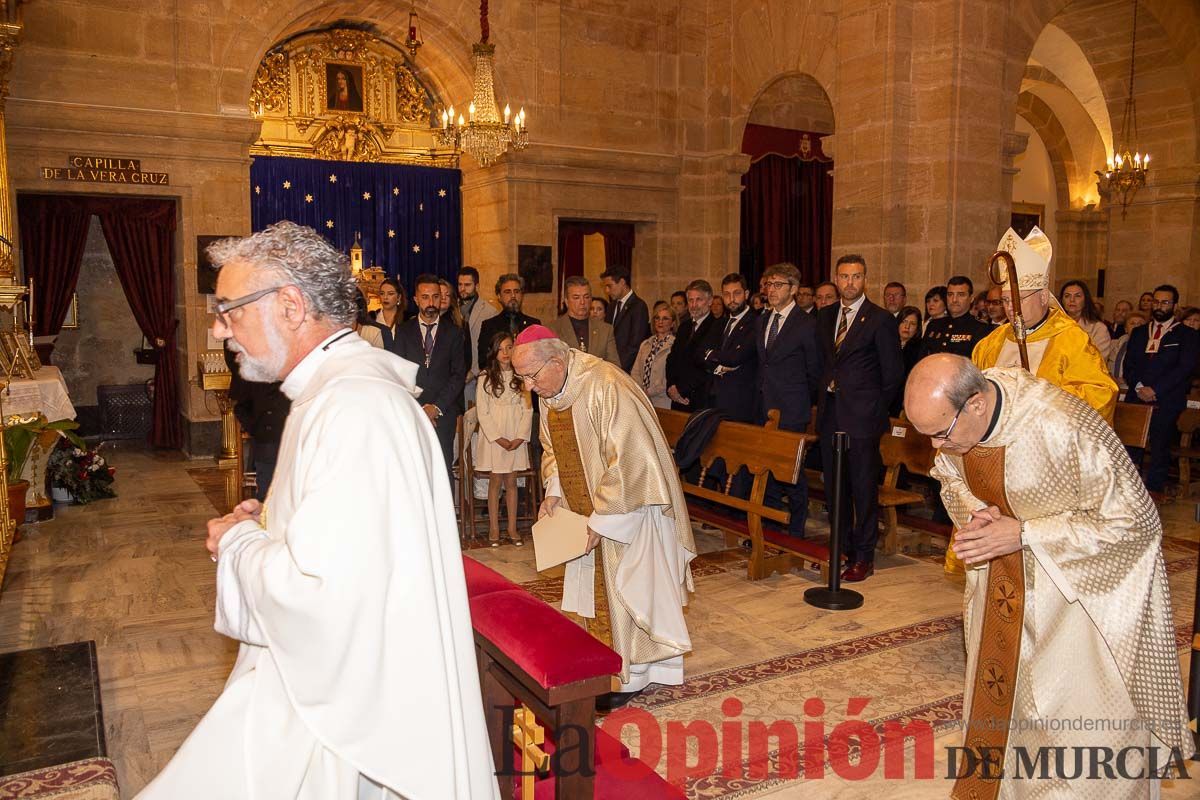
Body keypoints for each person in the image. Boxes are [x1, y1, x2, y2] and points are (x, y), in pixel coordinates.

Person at [138, 221, 497, 799]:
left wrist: (237, 543)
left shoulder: (352, 405)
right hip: (340, 681)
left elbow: (322, 595)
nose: (217, 327)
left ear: (289, 305)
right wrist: (270, 524)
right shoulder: (338, 391)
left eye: (229, 309)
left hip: (345, 710)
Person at [904, 355, 1190, 800]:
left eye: (941, 434)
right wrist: (975, 513)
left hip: (1075, 605)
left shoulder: (1063, 425)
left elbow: (1136, 521)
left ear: (977, 404)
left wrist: (1025, 533)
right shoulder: (961, 425)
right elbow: (949, 479)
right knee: (1008, 714)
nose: (938, 448)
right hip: (1003, 593)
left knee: (1069, 728)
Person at [513, 327, 696, 707]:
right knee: (600, 595)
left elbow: (631, 460)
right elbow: (555, 450)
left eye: (532, 376)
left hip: (631, 512)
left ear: (558, 361)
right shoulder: (553, 393)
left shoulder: (606, 385)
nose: (529, 387)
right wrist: (554, 493)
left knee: (632, 588)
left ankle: (635, 675)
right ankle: (608, 662)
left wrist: (603, 517)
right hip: (588, 512)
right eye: (522, 378)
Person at [971, 227, 1117, 423]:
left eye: (1019, 299)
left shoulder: (1070, 339)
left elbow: (1101, 394)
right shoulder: (991, 343)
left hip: (1048, 440)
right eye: (1005, 301)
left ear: (1042, 297)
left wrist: (1042, 399)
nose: (1011, 308)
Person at [816, 255, 903, 581]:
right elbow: (823, 364)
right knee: (835, 491)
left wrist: (873, 410)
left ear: (865, 279)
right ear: (836, 279)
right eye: (844, 276)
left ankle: (864, 556)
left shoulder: (879, 319)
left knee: (863, 490)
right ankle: (843, 548)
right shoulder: (825, 317)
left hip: (863, 421)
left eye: (856, 277)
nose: (849, 282)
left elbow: (893, 374)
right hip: (830, 416)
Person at [756, 263, 822, 537]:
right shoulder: (763, 319)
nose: (771, 290)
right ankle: (771, 523)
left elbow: (814, 370)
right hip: (765, 407)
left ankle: (795, 528)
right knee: (767, 469)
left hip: (792, 409)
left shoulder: (807, 324)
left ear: (794, 289)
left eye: (778, 285)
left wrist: (800, 403)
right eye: (769, 284)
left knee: (792, 472)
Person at [1122, 284, 1200, 494]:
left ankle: (1154, 490)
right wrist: (1139, 386)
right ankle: (1129, 491)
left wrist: (1155, 389)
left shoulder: (1186, 335)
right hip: (1137, 396)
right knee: (1131, 447)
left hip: (1166, 398)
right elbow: (1129, 364)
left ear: (1174, 305)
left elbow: (1185, 368)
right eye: (1156, 301)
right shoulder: (1139, 332)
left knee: (1160, 446)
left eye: (1165, 302)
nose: (1159, 306)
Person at [393, 274, 467, 475]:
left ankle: (446, 508)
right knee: (413, 472)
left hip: (443, 414)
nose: (431, 302)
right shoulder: (403, 332)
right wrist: (418, 410)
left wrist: (436, 408)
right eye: (425, 297)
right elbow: (398, 375)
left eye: (435, 297)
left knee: (442, 470)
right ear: (416, 299)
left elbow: (458, 375)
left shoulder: (454, 333)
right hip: (412, 413)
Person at [474, 332, 533, 547]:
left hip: (515, 433)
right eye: (501, 349)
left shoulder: (522, 377)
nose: (506, 353)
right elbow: (483, 411)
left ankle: (512, 527)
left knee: (512, 481)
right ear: (494, 352)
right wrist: (498, 438)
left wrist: (519, 437)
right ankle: (494, 527)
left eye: (510, 348)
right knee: (495, 481)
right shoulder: (485, 377)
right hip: (495, 437)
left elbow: (527, 409)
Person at [223, 342, 290, 502]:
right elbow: (242, 406)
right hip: (266, 428)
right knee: (266, 494)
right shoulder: (252, 363)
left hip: (289, 427)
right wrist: (256, 427)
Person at [705, 273, 759, 423]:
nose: (732, 299)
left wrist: (712, 354)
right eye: (727, 294)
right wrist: (719, 367)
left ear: (746, 294)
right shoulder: (720, 323)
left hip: (741, 400)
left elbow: (737, 357)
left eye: (737, 293)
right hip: (716, 396)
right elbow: (700, 354)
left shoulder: (756, 322)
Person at [665, 279, 721, 411]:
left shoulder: (717, 326)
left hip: (700, 399)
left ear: (709, 301)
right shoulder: (684, 327)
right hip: (677, 398)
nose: (694, 305)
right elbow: (672, 359)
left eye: (699, 300)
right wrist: (671, 386)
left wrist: (681, 390)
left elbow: (706, 366)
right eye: (690, 300)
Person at [549, 275, 620, 365]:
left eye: (586, 297)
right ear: (566, 301)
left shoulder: (605, 330)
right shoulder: (553, 329)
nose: (582, 302)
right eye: (576, 298)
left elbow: (615, 366)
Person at [918, 275, 991, 360]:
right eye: (950, 294)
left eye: (961, 295)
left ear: (971, 299)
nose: (954, 300)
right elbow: (922, 358)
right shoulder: (934, 325)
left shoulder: (980, 328)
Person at [477, 273, 540, 370]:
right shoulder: (489, 326)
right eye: (507, 292)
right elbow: (483, 361)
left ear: (522, 295)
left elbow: (539, 358)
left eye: (517, 291)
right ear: (499, 296)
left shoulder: (534, 325)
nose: (513, 296)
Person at [458, 265, 499, 407]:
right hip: (455, 375)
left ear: (477, 286)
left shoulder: (489, 312)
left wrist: (473, 371)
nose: (463, 289)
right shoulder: (453, 309)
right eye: (460, 284)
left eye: (467, 285)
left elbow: (489, 348)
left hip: (477, 375)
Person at [600, 267, 651, 374]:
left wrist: (618, 367)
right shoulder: (611, 306)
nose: (607, 291)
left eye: (609, 286)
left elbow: (635, 344)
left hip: (627, 369)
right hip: (610, 367)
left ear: (622, 282)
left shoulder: (638, 306)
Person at [633, 306, 676, 409]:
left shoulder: (676, 345)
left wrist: (650, 391)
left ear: (673, 323)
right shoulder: (646, 344)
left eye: (665, 318)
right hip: (642, 398)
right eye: (657, 318)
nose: (660, 321)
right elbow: (635, 371)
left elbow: (671, 376)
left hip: (662, 399)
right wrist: (640, 390)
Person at [1059, 279, 1112, 360]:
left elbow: (1098, 360)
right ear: (1062, 301)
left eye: (1077, 296)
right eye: (1067, 296)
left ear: (1085, 300)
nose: (1072, 300)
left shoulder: (1098, 329)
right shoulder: (1055, 326)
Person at [891, 305, 923, 416]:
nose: (907, 326)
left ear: (918, 328)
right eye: (904, 321)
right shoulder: (886, 343)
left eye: (913, 324)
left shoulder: (920, 348)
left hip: (905, 398)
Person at [1109, 311, 1146, 384]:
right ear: (1126, 329)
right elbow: (1110, 362)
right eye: (1132, 323)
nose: (1136, 326)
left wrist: (1127, 379)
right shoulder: (1119, 341)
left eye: (1140, 323)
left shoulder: (1150, 344)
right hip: (1115, 384)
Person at [371, 277, 406, 347]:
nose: (385, 297)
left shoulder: (407, 318)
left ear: (399, 297)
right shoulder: (372, 317)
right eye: (382, 293)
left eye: (390, 294)